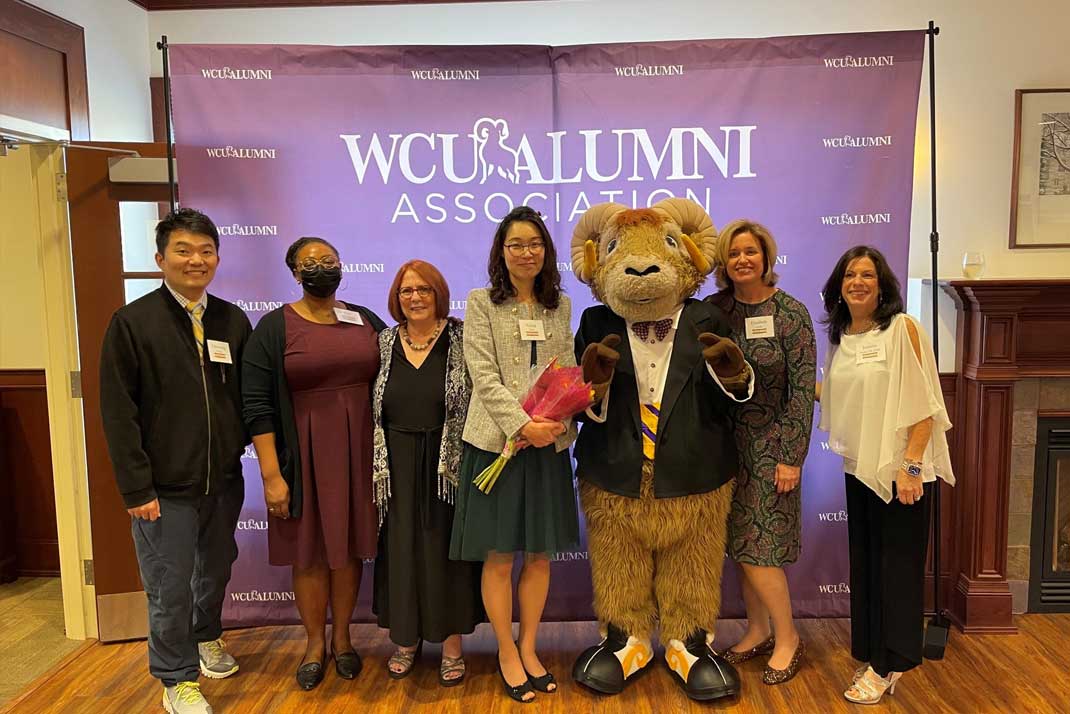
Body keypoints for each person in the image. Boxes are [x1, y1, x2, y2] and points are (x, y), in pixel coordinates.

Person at [100, 208, 250, 714]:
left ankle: (207, 637)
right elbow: (119, 413)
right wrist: (136, 488)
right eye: (184, 251)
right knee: (169, 585)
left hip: (224, 480)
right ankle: (176, 677)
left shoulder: (231, 319)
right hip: (162, 488)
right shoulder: (133, 323)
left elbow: (247, 399)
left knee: (217, 569)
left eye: (206, 251)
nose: (196, 260)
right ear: (160, 258)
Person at [241, 237, 386, 691]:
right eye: (311, 262)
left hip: (359, 454)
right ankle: (313, 645)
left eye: (329, 260)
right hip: (301, 457)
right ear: (295, 272)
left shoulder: (363, 319)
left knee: (346, 550)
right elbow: (257, 405)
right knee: (308, 554)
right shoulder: (274, 327)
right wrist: (271, 475)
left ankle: (343, 640)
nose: (322, 267)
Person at [449, 206, 580, 703]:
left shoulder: (558, 306)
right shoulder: (482, 302)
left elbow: (567, 372)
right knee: (500, 555)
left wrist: (554, 423)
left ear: (545, 253)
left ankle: (530, 647)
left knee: (540, 555)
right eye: (516, 244)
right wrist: (522, 424)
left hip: (547, 444)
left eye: (535, 244)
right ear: (500, 252)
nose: (526, 253)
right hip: (495, 444)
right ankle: (505, 649)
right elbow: (483, 375)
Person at [817, 245, 954, 704]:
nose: (858, 282)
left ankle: (890, 665)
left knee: (897, 570)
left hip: (902, 471)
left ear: (883, 285)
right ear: (839, 286)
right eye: (850, 275)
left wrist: (912, 466)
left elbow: (926, 404)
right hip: (861, 469)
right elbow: (837, 397)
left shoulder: (903, 328)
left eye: (867, 275)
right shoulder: (845, 338)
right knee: (870, 566)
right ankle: (876, 653)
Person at [705, 220, 816, 685]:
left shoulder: (791, 314)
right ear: (724, 264)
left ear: (766, 257)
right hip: (722, 448)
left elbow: (802, 389)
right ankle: (758, 630)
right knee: (739, 545)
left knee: (760, 549)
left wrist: (792, 455)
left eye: (750, 252)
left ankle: (788, 637)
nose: (742, 260)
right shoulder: (715, 311)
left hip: (773, 447)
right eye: (733, 254)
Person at [371, 260, 483, 686]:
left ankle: (451, 646)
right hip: (395, 459)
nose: (415, 297)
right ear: (396, 298)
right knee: (400, 551)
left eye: (423, 290)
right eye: (406, 291)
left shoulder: (461, 337)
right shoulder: (382, 341)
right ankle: (406, 641)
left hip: (448, 461)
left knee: (445, 552)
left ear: (439, 294)